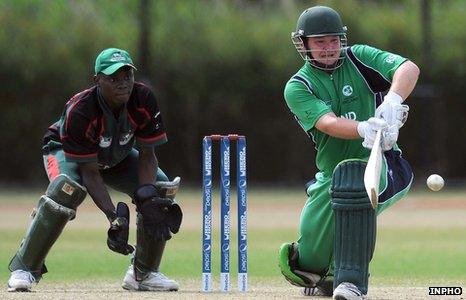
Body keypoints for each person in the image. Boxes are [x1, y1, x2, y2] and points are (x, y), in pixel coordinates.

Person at [7, 48, 183, 292]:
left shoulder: (142, 99)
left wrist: (146, 198)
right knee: (66, 190)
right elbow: (90, 173)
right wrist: (114, 217)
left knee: (160, 191)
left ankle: (143, 273)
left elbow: (147, 155)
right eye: (113, 78)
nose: (123, 84)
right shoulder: (80, 110)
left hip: (115, 154)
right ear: (97, 80)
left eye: (127, 77)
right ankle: (24, 268)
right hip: (65, 151)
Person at [278, 6, 419, 300]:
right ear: (303, 44)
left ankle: (351, 283)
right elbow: (326, 123)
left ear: (341, 39)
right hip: (331, 174)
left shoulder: (359, 58)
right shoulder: (298, 86)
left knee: (357, 189)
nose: (329, 48)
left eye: (333, 40)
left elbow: (408, 68)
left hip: (383, 163)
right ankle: (324, 273)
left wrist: (392, 100)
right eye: (320, 42)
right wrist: (364, 128)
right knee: (309, 263)